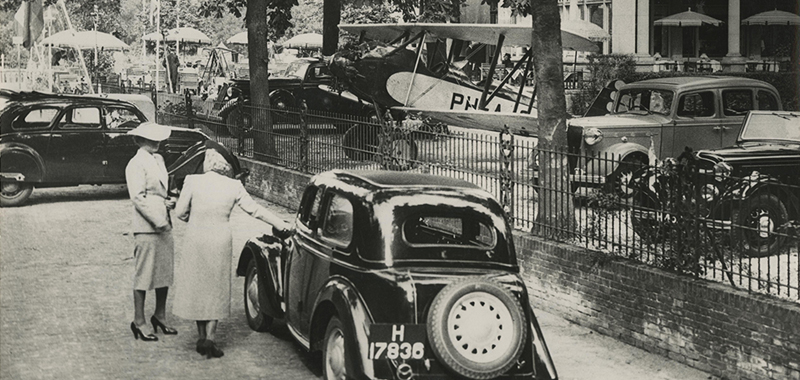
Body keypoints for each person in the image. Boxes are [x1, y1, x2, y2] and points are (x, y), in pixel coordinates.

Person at [172, 146, 291, 359]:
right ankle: (210, 338)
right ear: (225, 166)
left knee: (199, 285)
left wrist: (195, 217)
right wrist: (279, 223)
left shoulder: (192, 181)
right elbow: (255, 209)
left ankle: (200, 337)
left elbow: (180, 212)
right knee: (216, 286)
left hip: (196, 237)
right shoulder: (234, 186)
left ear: (207, 164)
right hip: (220, 238)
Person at [125, 122, 179, 342]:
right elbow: (138, 197)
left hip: (164, 223)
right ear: (138, 140)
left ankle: (160, 315)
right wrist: (158, 220)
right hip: (147, 226)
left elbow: (164, 190)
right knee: (145, 274)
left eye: (157, 138)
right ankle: (139, 321)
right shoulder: (135, 164)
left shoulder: (159, 160)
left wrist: (171, 200)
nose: (155, 142)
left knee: (164, 272)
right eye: (149, 139)